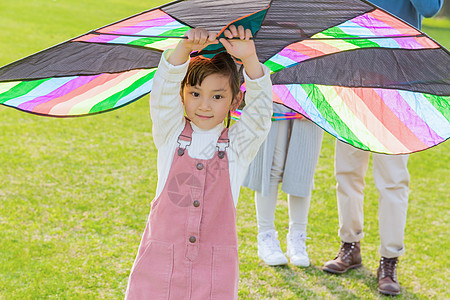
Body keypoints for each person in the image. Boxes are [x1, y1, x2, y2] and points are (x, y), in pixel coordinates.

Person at [125, 25, 273, 299]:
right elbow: (162, 95)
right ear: (182, 94)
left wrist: (250, 60)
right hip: (160, 261)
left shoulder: (239, 146)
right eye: (195, 93)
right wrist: (183, 49)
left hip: (215, 267)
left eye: (217, 96)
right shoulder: (170, 133)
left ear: (235, 100)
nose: (204, 105)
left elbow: (261, 113)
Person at [322, 0, 443, 296]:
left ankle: (389, 261)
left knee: (393, 178)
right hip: (353, 78)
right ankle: (350, 247)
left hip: (400, 82)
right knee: (347, 171)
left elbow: (429, 9)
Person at [244, 106, 323, 267]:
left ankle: (298, 237)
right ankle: (266, 236)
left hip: (310, 88)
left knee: (302, 165)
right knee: (271, 162)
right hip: (275, 88)